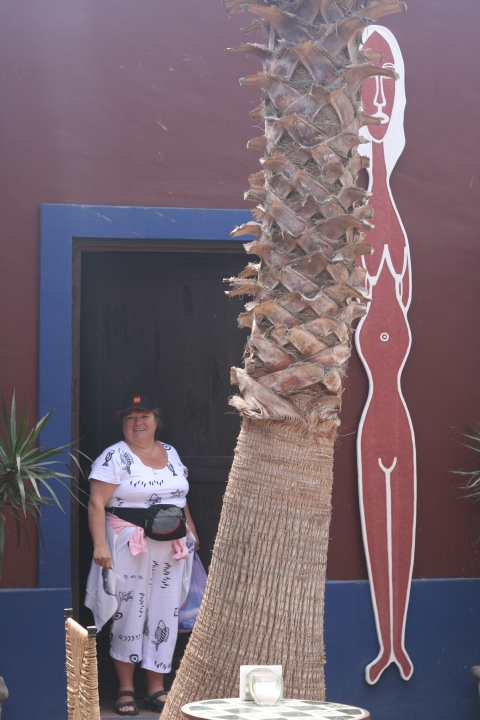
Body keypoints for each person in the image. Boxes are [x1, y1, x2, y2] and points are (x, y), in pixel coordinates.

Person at [85, 393, 199, 716]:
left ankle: (156, 688)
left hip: (172, 546)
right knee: (129, 613)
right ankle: (125, 689)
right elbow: (96, 503)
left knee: (165, 613)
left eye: (144, 416)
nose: (137, 423)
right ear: (123, 424)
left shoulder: (171, 453)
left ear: (155, 421)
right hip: (130, 543)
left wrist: (191, 529)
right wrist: (99, 545)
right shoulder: (114, 457)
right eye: (130, 418)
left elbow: (179, 495)